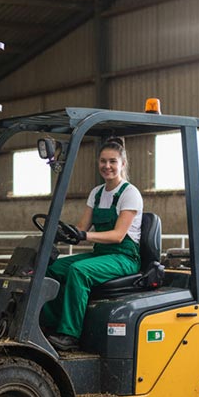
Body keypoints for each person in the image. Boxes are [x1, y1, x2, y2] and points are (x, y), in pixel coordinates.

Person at [42, 137, 143, 351]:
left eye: (113, 162)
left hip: (124, 257)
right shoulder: (96, 193)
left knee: (79, 271)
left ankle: (69, 334)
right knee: (52, 268)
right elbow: (82, 228)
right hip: (102, 254)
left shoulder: (129, 193)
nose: (107, 166)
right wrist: (61, 233)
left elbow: (117, 235)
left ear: (122, 164)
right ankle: (50, 324)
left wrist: (84, 237)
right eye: (103, 161)